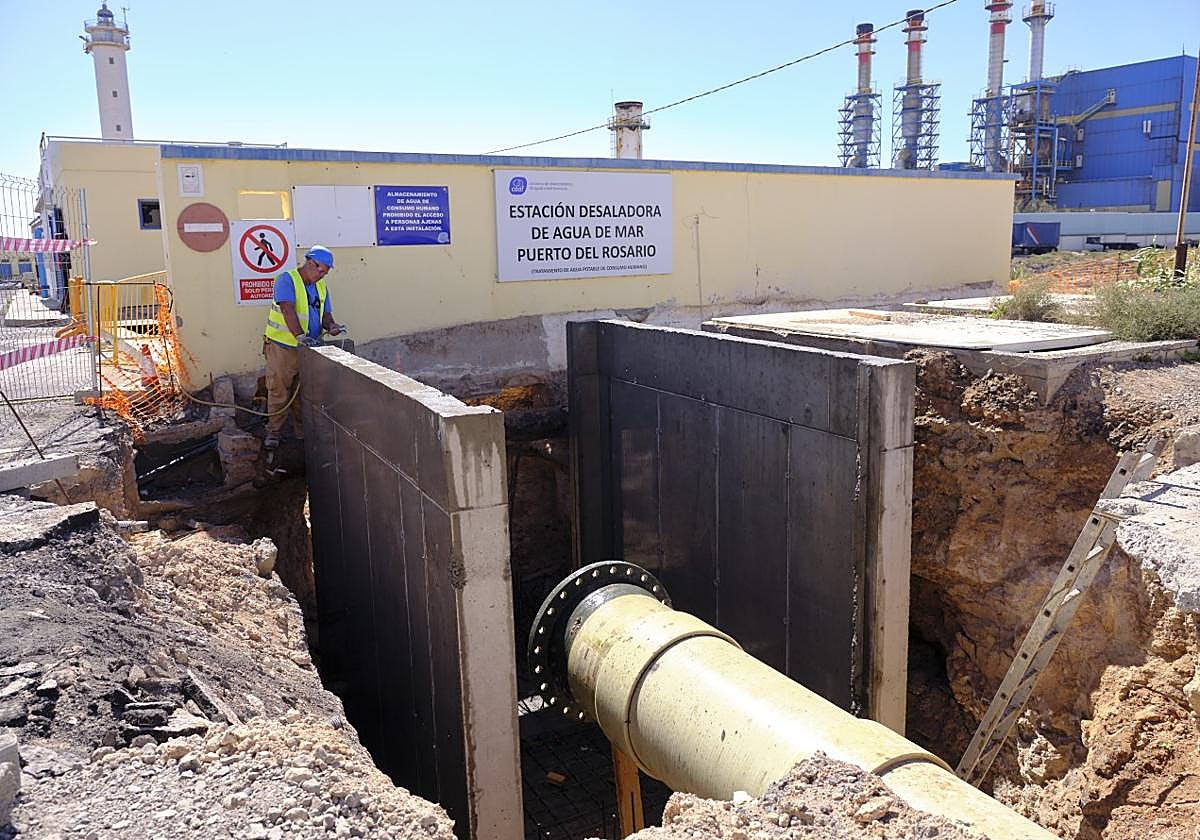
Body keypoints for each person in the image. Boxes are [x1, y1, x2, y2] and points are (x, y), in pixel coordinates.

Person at [261, 245, 344, 450]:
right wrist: (300, 336)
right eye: (321, 270)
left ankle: (302, 433)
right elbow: (288, 310)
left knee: (305, 394)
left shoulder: (321, 287)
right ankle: (274, 433)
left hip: (309, 349)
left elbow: (325, 314)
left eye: (326, 272)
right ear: (309, 262)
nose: (322, 275)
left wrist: (332, 326)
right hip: (283, 348)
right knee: (279, 391)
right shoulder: (287, 280)